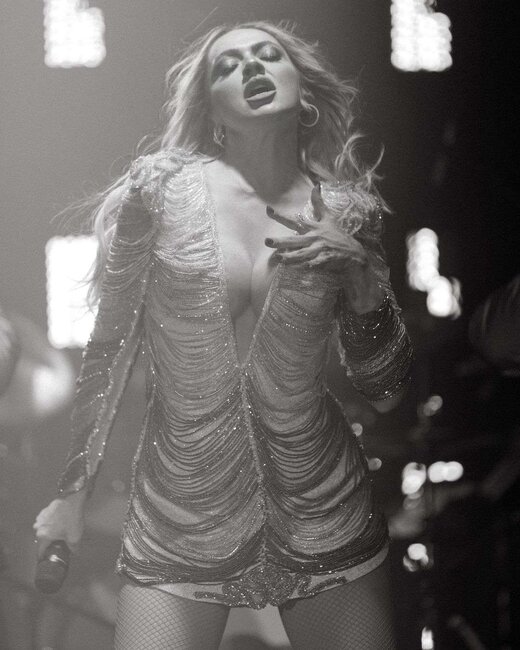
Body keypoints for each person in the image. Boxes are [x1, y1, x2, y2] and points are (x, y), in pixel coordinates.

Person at [34, 21, 412, 649]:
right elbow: (110, 347)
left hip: (324, 506)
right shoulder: (157, 193)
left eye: (269, 55)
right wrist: (73, 492)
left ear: (303, 90)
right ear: (211, 110)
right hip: (180, 511)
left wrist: (364, 279)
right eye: (228, 65)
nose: (252, 67)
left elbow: (388, 392)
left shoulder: (348, 213)